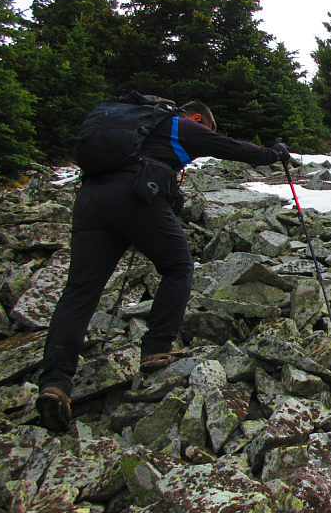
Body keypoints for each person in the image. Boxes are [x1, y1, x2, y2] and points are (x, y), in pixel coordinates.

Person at [35, 98, 290, 433]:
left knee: (79, 291)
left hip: (91, 199)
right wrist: (274, 153)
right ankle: (156, 348)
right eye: (205, 127)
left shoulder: (140, 129)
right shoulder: (180, 125)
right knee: (178, 267)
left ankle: (54, 384)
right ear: (197, 117)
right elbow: (231, 147)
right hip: (133, 196)